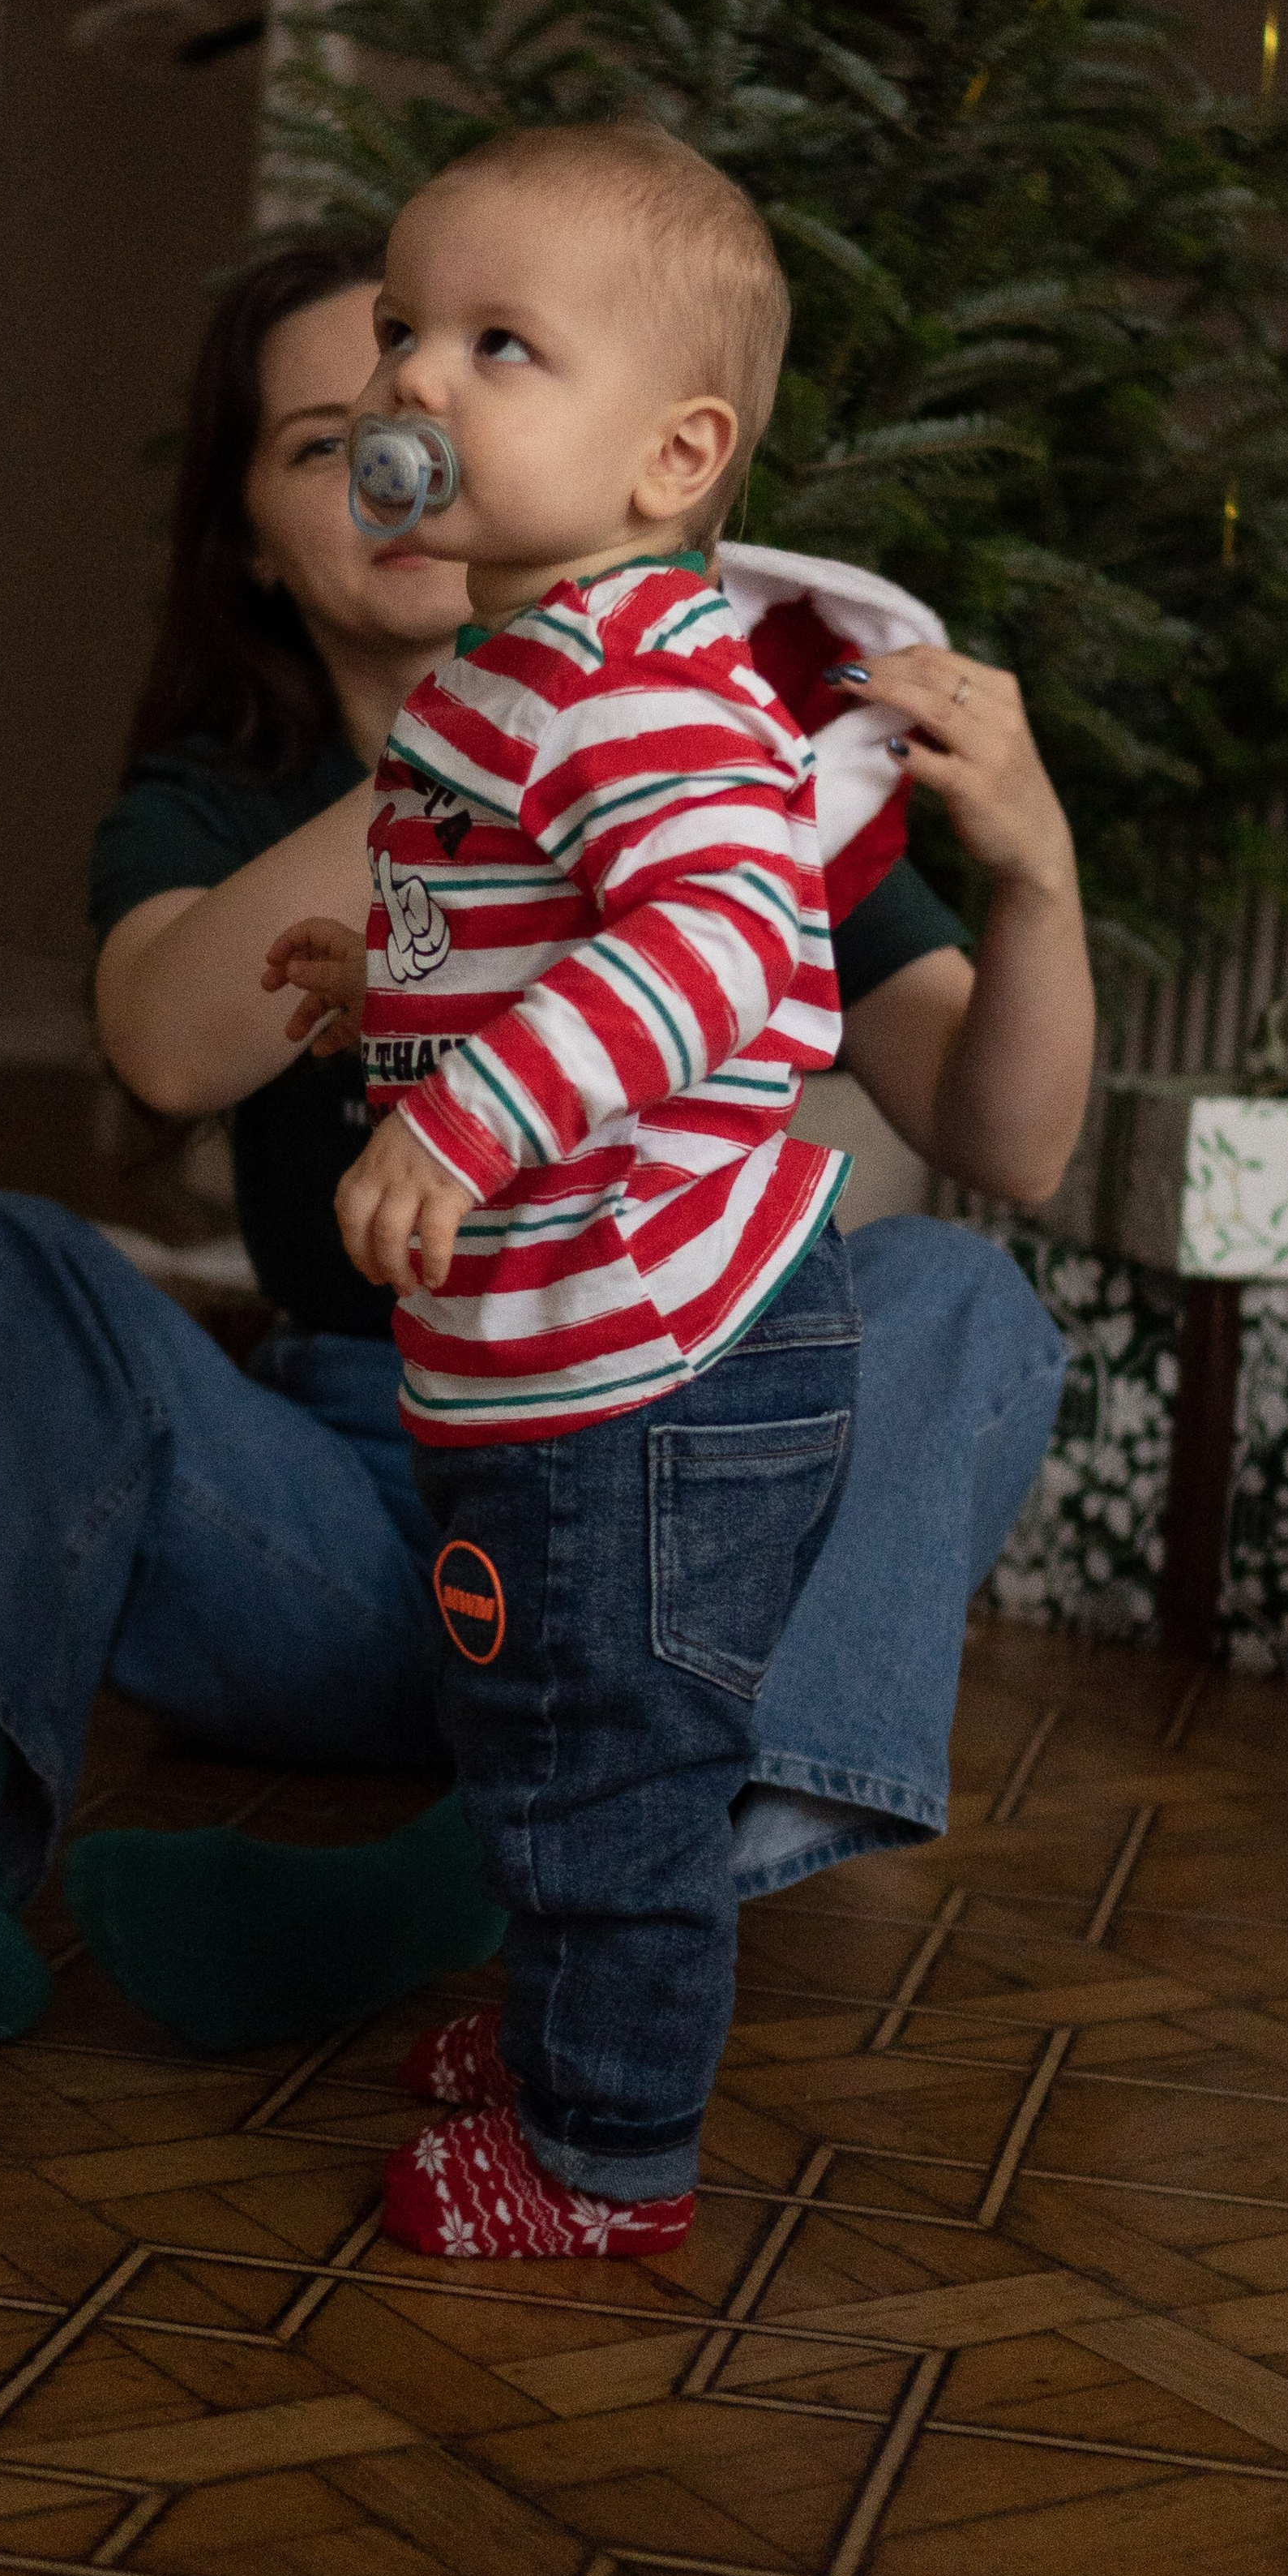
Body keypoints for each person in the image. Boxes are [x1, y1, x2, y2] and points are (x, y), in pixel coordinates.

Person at [0, 229, 1093, 2112]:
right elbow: (168, 1044)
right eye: (334, 435)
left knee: (954, 1300)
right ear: (253, 537)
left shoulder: (702, 765)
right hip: (341, 1517)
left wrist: (1035, 871)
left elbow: (1008, 1141)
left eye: (482, 372)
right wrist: (470, 743)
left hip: (657, 1519)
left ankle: (464, 1892)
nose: (413, 438)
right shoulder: (226, 796)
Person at [267, 124, 860, 2258]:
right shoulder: (513, 673)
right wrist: (390, 995)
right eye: (407, 331)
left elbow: (719, 950)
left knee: (613, 1763)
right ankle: (559, 2030)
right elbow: (541, 926)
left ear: (673, 453)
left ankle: (608, 2159)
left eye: (500, 347)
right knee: (533, 1724)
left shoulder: (643, 677)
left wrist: (468, 1118)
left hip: (661, 1366)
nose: (416, 385)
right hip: (553, 1353)